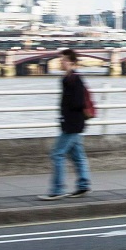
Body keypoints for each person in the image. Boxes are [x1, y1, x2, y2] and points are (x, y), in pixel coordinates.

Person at [38, 48, 93, 200]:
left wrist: (65, 115)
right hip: (74, 123)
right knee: (78, 156)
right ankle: (83, 186)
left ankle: (58, 189)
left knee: (57, 154)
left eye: (63, 60)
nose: (60, 62)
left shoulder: (73, 79)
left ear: (71, 62)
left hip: (72, 124)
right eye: (60, 60)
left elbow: (77, 102)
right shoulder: (70, 78)